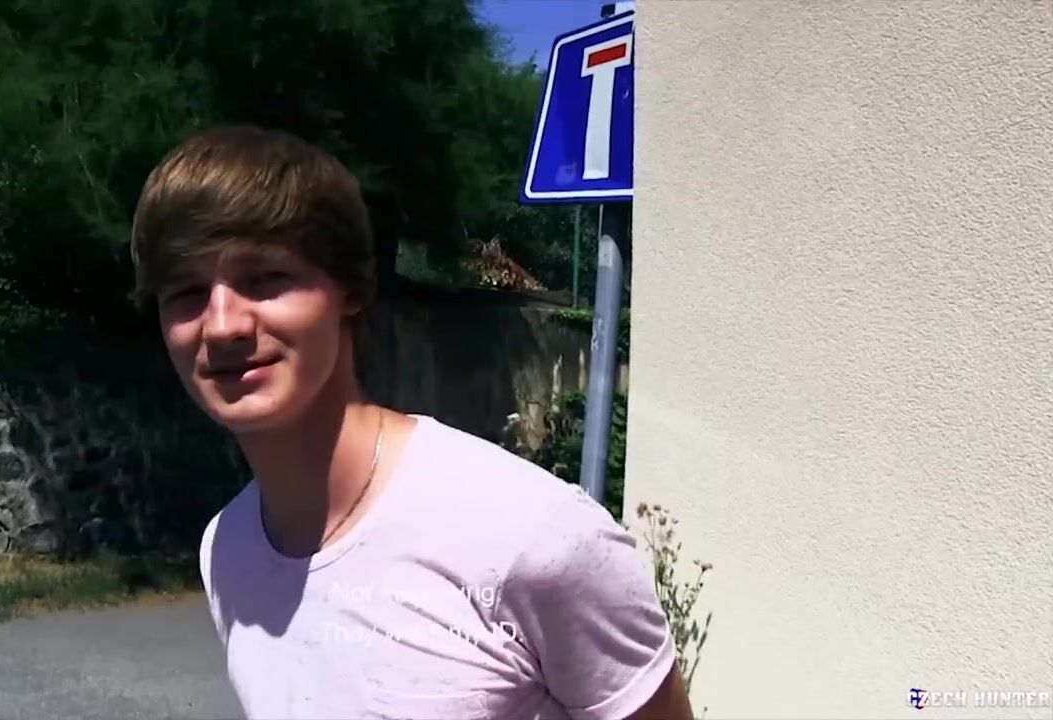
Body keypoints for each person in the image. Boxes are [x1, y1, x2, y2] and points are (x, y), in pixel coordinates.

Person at [129, 125, 694, 720]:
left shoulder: (532, 535)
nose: (222, 325)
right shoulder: (227, 548)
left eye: (266, 279)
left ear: (349, 290)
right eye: (185, 292)